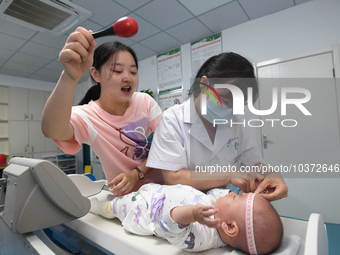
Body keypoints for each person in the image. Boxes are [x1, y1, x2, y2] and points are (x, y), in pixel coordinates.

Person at [145, 52, 288, 201]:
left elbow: (255, 163)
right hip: (184, 209)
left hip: (224, 209)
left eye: (238, 104)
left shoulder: (236, 124)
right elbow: (173, 178)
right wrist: (228, 175)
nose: (230, 108)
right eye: (226, 98)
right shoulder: (173, 119)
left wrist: (271, 175)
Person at [41, 27, 164, 196]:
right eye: (118, 71)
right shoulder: (87, 116)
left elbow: (166, 145)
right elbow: (51, 130)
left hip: (165, 188)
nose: (128, 77)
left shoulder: (144, 101)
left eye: (133, 71)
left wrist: (136, 174)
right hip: (129, 201)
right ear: (96, 75)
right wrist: (69, 76)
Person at [90, 183, 283, 254]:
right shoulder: (218, 210)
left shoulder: (203, 238)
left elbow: (168, 224)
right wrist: (243, 193)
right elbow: (218, 194)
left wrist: (192, 214)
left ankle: (98, 207)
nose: (232, 194)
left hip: (142, 211)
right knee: (119, 196)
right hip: (154, 192)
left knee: (115, 206)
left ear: (230, 227)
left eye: (235, 197)